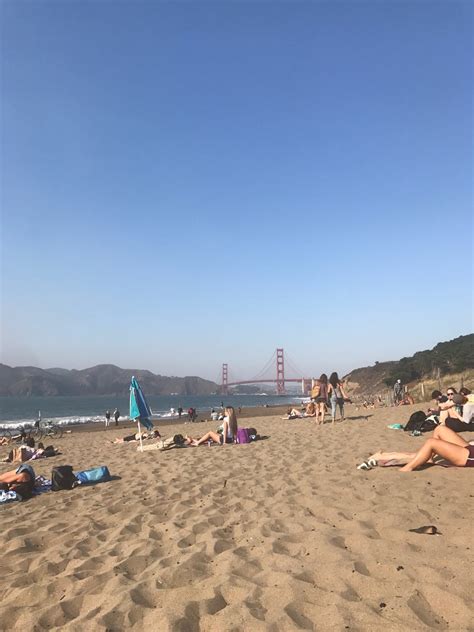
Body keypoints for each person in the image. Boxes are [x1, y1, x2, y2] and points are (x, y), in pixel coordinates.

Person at [399, 425, 474, 471]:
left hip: (469, 456)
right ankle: (429, 458)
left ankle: (407, 468)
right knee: (440, 429)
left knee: (431, 442)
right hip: (471, 449)